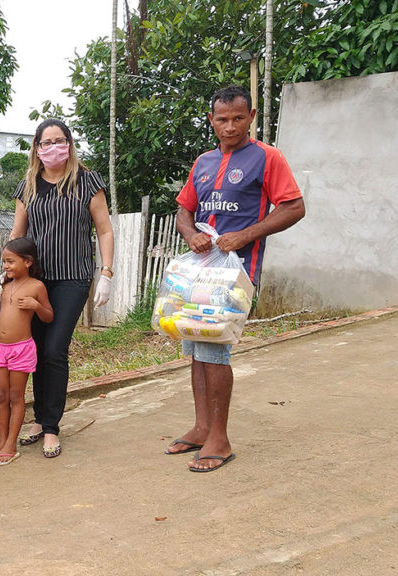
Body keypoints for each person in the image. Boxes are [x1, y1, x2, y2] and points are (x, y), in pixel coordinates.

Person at [168, 85, 305, 472]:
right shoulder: (204, 161)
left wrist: (246, 235)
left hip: (237, 274)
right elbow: (184, 209)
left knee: (215, 350)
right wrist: (190, 233)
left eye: (238, 118)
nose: (229, 126)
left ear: (252, 117)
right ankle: (200, 427)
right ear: (211, 119)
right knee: (195, 346)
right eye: (222, 119)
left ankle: (220, 438)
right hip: (200, 271)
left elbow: (294, 207)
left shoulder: (267, 157)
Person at [10, 119, 116, 459]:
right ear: (37, 149)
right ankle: (39, 419)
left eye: (60, 140)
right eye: (46, 142)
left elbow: (104, 230)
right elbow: (17, 235)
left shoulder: (87, 181)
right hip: (36, 281)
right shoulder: (27, 185)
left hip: (73, 277)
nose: (53, 147)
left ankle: (52, 426)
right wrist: (10, 275)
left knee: (55, 349)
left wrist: (107, 272)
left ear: (69, 143)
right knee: (36, 349)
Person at [0, 237, 53, 466]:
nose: (6, 266)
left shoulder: (37, 286)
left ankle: (12, 444)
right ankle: (2, 441)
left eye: (10, 261)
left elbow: (49, 316)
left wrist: (37, 306)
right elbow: (0, 319)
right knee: (1, 396)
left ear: (28, 262)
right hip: (1, 348)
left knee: (16, 396)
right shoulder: (4, 285)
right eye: (4, 261)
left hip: (21, 349)